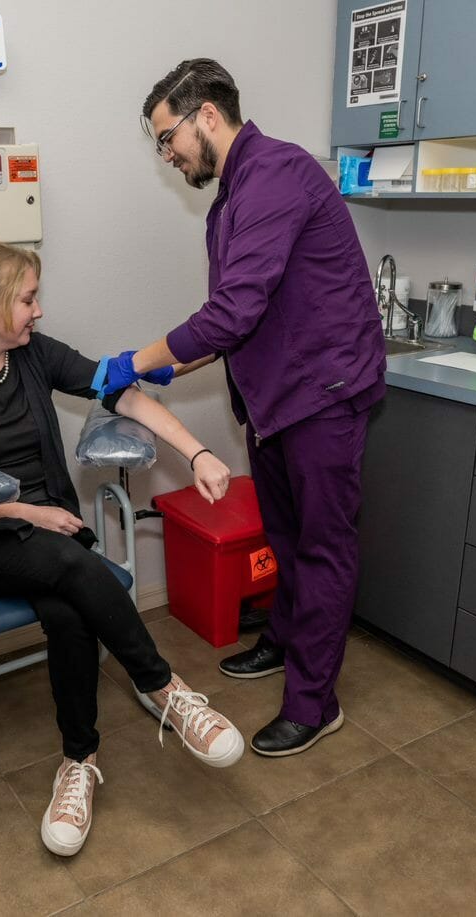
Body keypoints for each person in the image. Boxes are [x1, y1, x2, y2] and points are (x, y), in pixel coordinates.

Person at [0, 239, 244, 858]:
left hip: (46, 537)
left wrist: (195, 452)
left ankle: (78, 764)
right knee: (73, 561)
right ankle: (167, 689)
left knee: (68, 606)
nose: (38, 311)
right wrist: (27, 511)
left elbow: (122, 390)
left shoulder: (33, 355)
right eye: (28, 299)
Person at [98, 59, 385, 758]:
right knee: (285, 539)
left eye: (167, 138)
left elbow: (228, 313)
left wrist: (136, 360)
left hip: (323, 396)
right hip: (276, 400)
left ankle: (315, 703)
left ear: (205, 116)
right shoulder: (232, 196)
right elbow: (239, 323)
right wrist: (164, 363)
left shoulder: (277, 176)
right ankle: (284, 641)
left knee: (321, 549)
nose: (166, 156)